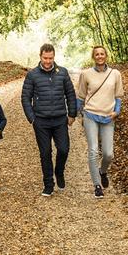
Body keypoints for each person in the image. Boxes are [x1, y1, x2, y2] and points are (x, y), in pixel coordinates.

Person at [21, 43, 78, 197]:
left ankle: (59, 172)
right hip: (41, 121)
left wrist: (72, 114)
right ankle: (48, 184)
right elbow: (25, 98)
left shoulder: (63, 73)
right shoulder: (32, 75)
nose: (47, 61)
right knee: (45, 153)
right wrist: (32, 118)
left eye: (50, 58)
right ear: (40, 56)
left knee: (64, 149)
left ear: (54, 57)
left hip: (60, 119)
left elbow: (71, 94)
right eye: (45, 58)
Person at [75, 45, 125, 198]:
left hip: (108, 116)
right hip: (91, 114)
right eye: (97, 54)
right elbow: (81, 96)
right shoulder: (86, 74)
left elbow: (118, 95)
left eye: (102, 54)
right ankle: (97, 185)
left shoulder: (115, 74)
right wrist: (80, 114)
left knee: (108, 154)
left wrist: (116, 111)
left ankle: (102, 171)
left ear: (106, 56)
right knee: (93, 150)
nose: (100, 56)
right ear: (93, 57)